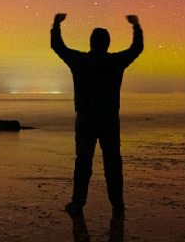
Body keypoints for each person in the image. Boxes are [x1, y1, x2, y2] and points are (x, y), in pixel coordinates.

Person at [51, 13, 144, 219]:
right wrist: (136, 27)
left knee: (83, 162)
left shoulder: (80, 61)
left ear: (91, 43)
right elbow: (137, 49)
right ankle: (117, 204)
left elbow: (58, 47)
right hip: (109, 119)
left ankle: (78, 204)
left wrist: (56, 24)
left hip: (86, 118)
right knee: (112, 162)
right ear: (107, 44)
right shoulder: (115, 62)